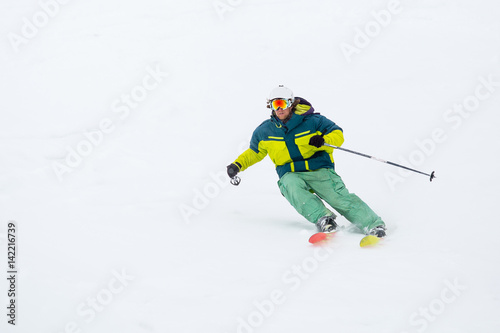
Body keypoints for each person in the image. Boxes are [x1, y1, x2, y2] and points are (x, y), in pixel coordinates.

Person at [226, 85, 386, 237]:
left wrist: (323, 139)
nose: (279, 108)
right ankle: (324, 219)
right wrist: (237, 165)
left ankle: (373, 225)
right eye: (275, 104)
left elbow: (338, 133)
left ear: (291, 103)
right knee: (290, 185)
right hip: (291, 174)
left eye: (282, 103)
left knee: (339, 199)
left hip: (319, 170)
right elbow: (254, 152)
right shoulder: (264, 131)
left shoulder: (312, 121)